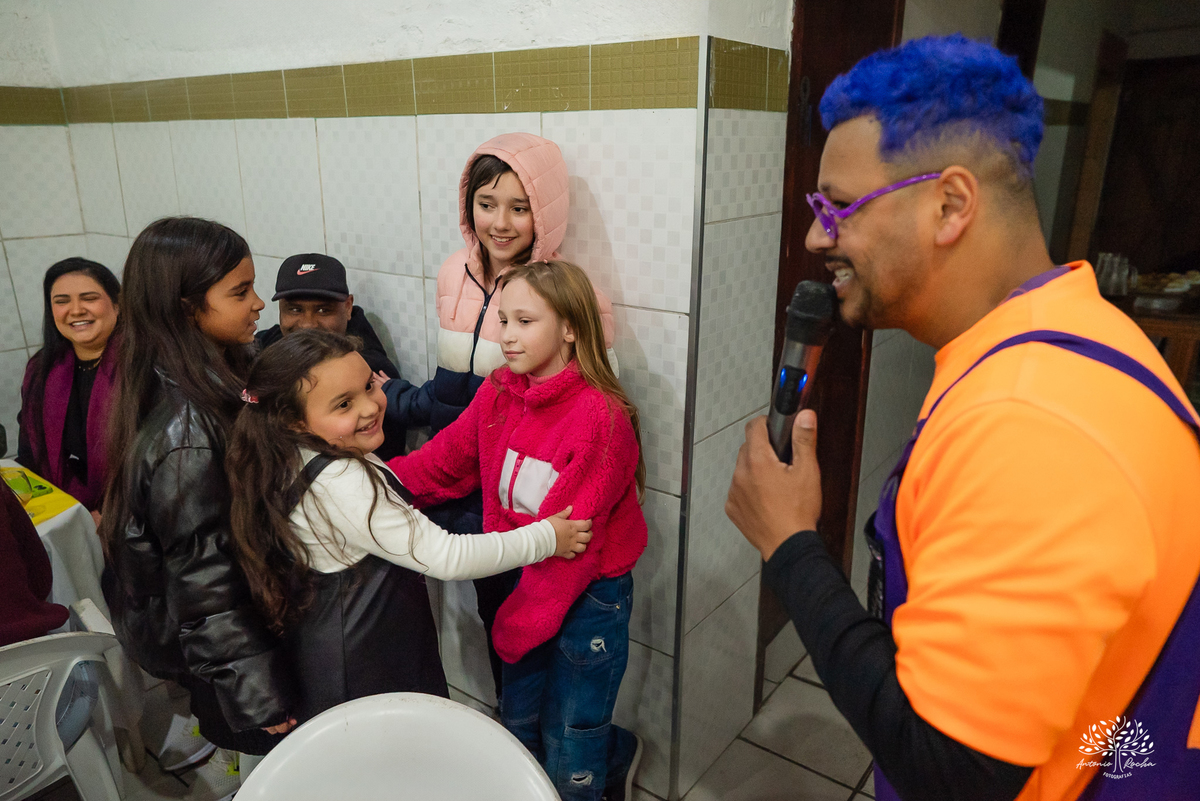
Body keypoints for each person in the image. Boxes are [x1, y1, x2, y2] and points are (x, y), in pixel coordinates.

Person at [725, 35, 1200, 801]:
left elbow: (953, 771)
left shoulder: (1030, 424)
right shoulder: (1080, 331)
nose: (817, 235)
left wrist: (790, 546)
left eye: (837, 206)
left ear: (949, 205)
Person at [223, 329, 592, 724]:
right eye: (344, 403)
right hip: (367, 669)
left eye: (368, 386)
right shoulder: (342, 480)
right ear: (294, 420)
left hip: (328, 654)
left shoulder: (286, 454)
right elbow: (448, 557)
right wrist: (546, 538)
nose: (370, 407)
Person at [390, 260, 644, 801]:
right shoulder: (501, 391)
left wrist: (514, 628)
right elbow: (445, 461)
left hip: (586, 592)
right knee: (520, 721)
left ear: (570, 327)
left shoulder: (600, 418)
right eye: (502, 320)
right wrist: (375, 485)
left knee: (570, 736)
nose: (505, 336)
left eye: (524, 321)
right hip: (527, 579)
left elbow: (569, 550)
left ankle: (598, 772)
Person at [382, 132, 617, 698]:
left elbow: (590, 407)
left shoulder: (567, 296)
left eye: (520, 207)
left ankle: (544, 751)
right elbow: (449, 390)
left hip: (526, 495)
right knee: (489, 612)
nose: (502, 223)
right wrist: (400, 410)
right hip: (458, 478)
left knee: (533, 623)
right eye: (487, 205)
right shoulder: (449, 276)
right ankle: (511, 731)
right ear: (468, 207)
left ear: (545, 212)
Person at [99, 217, 297, 756]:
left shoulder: (219, 372)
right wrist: (259, 695)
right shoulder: (187, 435)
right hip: (230, 656)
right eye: (240, 292)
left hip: (236, 638)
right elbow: (205, 582)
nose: (259, 304)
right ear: (186, 308)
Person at [254, 252, 406, 459]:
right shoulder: (268, 343)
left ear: (348, 306)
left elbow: (389, 455)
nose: (307, 324)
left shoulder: (368, 369)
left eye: (324, 311)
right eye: (295, 309)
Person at [17, 258, 121, 514]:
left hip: (130, 517)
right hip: (63, 510)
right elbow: (29, 452)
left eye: (89, 298)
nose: (75, 311)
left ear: (118, 305)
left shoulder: (143, 368)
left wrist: (114, 515)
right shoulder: (42, 369)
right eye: (61, 302)